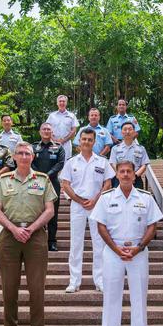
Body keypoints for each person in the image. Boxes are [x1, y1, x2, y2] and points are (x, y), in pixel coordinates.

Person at [90, 160, 163, 326]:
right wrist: (115, 249)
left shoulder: (146, 198)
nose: (125, 174)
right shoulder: (106, 198)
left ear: (134, 174)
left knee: (139, 297)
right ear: (116, 174)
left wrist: (138, 248)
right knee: (111, 296)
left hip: (138, 251)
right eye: (121, 171)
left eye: (128, 171)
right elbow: (101, 226)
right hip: (113, 252)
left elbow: (152, 226)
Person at [0, 142, 57, 326]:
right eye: (19, 153)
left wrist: (31, 228)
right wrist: (13, 228)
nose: (23, 156)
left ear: (32, 156)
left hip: (36, 237)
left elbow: (50, 210)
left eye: (27, 153)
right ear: (14, 157)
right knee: (9, 290)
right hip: (9, 237)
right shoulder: (3, 180)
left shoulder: (43, 179)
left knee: (36, 290)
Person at [60, 129, 115, 293]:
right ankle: (74, 281)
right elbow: (65, 184)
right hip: (77, 205)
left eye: (90, 140)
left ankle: (99, 281)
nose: (86, 142)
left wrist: (95, 199)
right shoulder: (71, 162)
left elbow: (108, 183)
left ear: (94, 141)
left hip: (97, 205)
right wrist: (79, 200)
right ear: (79, 141)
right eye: (84, 139)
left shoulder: (102, 161)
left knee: (99, 243)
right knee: (76, 244)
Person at [32, 123, 65, 251]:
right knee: (36, 211)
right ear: (40, 132)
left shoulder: (59, 147)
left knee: (53, 213)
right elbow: (30, 162)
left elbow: (61, 163)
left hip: (53, 183)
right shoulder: (33, 147)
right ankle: (37, 240)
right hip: (35, 182)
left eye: (49, 129)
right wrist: (40, 176)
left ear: (52, 132)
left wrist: (47, 175)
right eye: (44, 129)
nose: (46, 131)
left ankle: (52, 241)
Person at [109, 122, 149, 188]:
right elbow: (113, 163)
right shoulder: (115, 148)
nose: (127, 132)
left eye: (130, 129)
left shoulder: (141, 149)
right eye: (125, 129)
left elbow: (144, 165)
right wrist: (120, 175)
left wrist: (134, 176)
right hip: (119, 178)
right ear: (121, 132)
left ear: (134, 132)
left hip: (136, 179)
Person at [46, 95, 78, 163]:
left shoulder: (72, 115)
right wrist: (55, 140)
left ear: (66, 103)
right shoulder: (52, 116)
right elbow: (47, 129)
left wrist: (64, 140)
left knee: (66, 163)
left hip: (66, 144)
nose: (62, 103)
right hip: (53, 143)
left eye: (63, 101)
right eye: (60, 101)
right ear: (57, 103)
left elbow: (74, 130)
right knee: (53, 161)